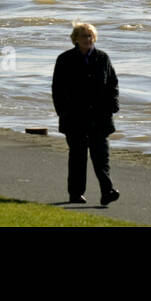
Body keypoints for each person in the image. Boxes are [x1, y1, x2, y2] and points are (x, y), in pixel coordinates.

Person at [51, 22, 120, 206]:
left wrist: (113, 106)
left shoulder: (103, 58)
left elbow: (113, 84)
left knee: (101, 156)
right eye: (84, 36)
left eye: (90, 36)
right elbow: (57, 89)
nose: (88, 39)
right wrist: (63, 112)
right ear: (76, 39)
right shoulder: (65, 59)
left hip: (100, 117)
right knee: (78, 156)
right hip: (74, 118)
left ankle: (107, 191)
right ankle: (76, 193)